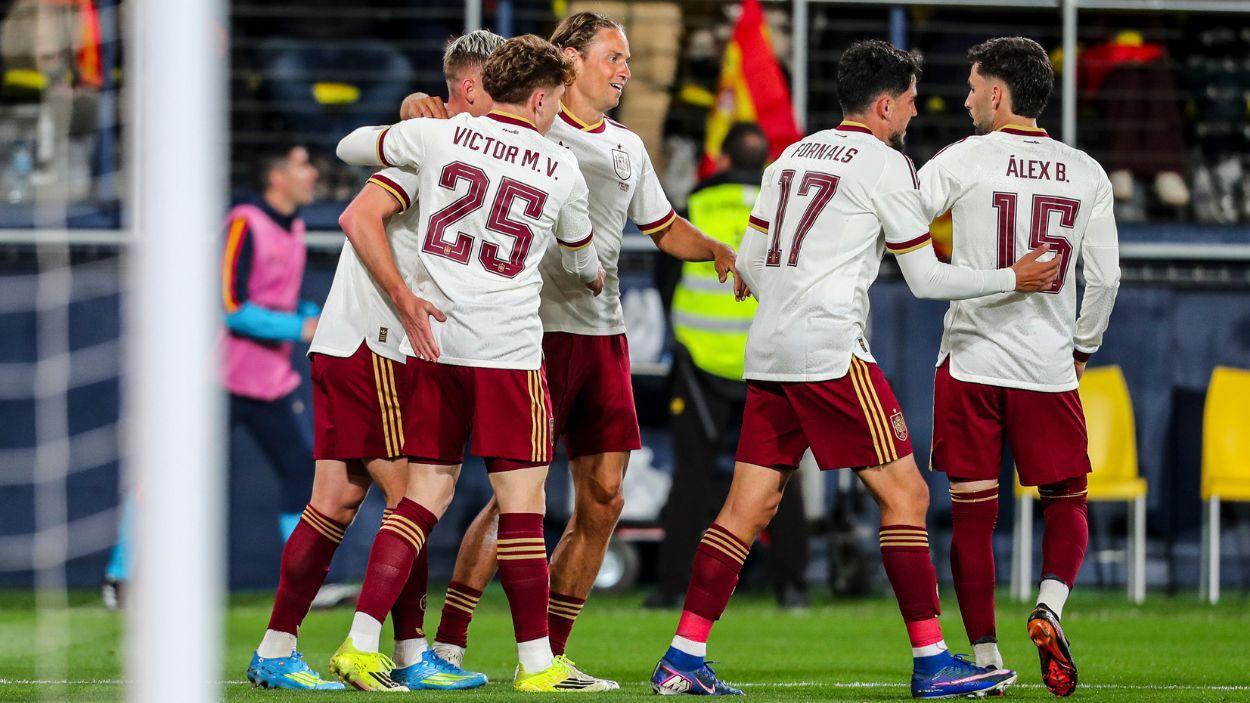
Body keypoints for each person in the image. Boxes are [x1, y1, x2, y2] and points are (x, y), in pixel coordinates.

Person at [647, 39, 1061, 699]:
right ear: (885, 104)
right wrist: (1014, 275)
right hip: (829, 350)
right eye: (912, 101)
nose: (916, 113)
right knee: (908, 497)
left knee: (744, 507)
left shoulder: (790, 155)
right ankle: (932, 662)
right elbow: (924, 280)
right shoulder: (886, 163)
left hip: (771, 349)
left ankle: (683, 654)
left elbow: (750, 267)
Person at [390, 12, 739, 687]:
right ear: (569, 60)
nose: (623, 71)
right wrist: (417, 107)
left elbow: (663, 227)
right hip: (531, 335)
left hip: (602, 334)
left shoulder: (627, 148)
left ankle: (550, 649)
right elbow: (453, 114)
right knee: (513, 497)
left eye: (627, 59)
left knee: (604, 496)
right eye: (613, 57)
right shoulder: (520, 126)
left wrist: (716, 247)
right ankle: (454, 644)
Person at [329, 34, 610, 692]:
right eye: (558, 97)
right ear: (540, 97)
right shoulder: (559, 166)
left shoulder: (441, 136)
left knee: (423, 495)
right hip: (507, 355)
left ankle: (361, 642)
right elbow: (577, 260)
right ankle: (539, 664)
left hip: (437, 344)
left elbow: (349, 147)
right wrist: (594, 275)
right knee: (522, 504)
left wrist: (408, 117)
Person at [242, 33, 506, 692]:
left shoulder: (442, 138)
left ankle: (277, 650)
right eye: (500, 84)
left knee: (334, 501)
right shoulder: (431, 142)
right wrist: (405, 300)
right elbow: (360, 216)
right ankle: (402, 653)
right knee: (413, 498)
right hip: (374, 341)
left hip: (351, 338)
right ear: (472, 87)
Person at [918, 37, 1120, 697]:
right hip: (1047, 364)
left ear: (998, 94)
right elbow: (1108, 279)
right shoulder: (1086, 170)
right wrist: (1082, 346)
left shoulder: (966, 157)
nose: (968, 98)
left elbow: (900, 217)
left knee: (973, 515)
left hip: (973, 359)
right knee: (1068, 501)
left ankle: (982, 659)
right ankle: (1050, 606)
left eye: (974, 86)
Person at [650, 122, 808, 610]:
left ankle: (672, 586)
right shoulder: (784, 208)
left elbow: (665, 276)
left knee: (691, 479)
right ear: (765, 162)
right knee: (779, 477)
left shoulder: (696, 202)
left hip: (701, 361)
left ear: (720, 158)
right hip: (767, 358)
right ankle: (793, 588)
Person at [220, 144, 321, 542]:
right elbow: (231, 305)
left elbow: (275, 298)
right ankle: (122, 575)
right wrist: (300, 327)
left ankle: (303, 577)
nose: (313, 173)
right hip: (217, 379)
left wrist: (311, 313)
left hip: (269, 381)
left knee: (300, 469)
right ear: (277, 178)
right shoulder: (244, 221)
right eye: (303, 164)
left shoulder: (295, 226)